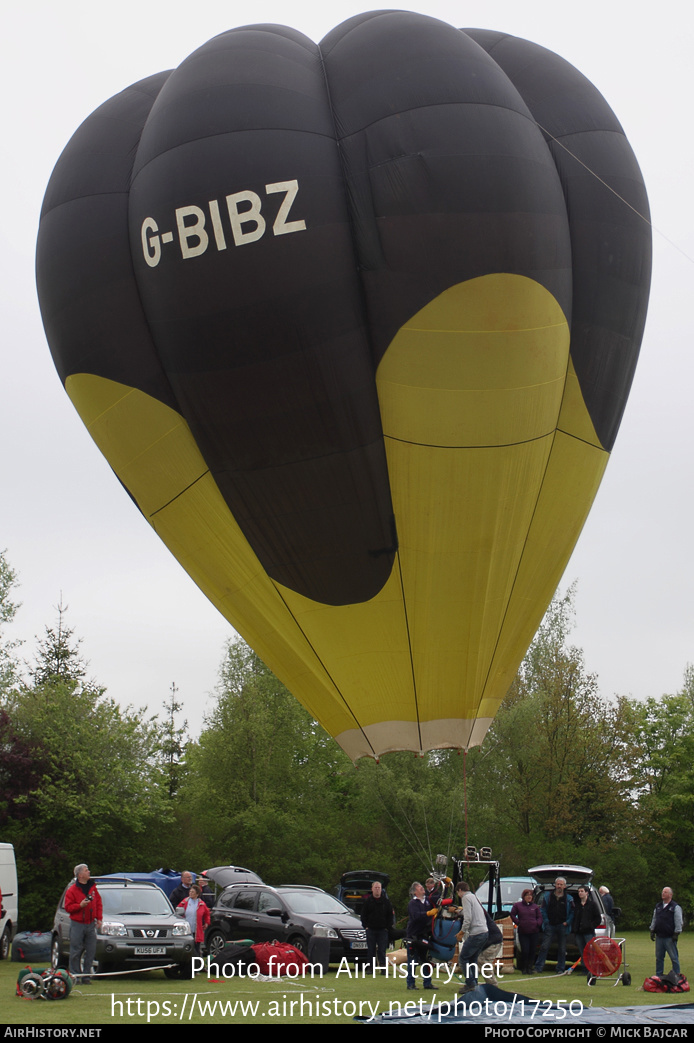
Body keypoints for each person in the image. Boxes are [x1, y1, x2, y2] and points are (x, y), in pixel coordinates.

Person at [64, 864, 103, 983]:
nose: (89, 872)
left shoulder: (93, 888)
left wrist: (99, 918)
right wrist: (80, 906)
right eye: (86, 871)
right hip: (77, 924)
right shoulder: (72, 890)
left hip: (90, 924)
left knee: (91, 950)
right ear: (80, 875)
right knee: (76, 950)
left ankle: (86, 976)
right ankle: (75, 976)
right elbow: (68, 907)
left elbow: (98, 903)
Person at [534, 877, 574, 974]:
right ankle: (538, 967)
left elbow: (573, 912)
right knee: (544, 947)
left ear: (564, 886)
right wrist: (546, 921)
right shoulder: (547, 896)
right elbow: (542, 910)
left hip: (562, 926)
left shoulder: (569, 899)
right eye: (558, 884)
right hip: (550, 925)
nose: (559, 886)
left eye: (561, 884)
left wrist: (567, 922)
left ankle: (560, 968)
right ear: (555, 885)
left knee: (562, 949)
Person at [457, 881, 489, 994]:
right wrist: (458, 911)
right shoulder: (473, 897)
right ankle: (474, 982)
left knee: (463, 958)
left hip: (476, 933)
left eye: (458, 893)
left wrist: (462, 932)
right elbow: (471, 912)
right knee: (472, 959)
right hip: (484, 932)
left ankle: (470, 984)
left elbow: (468, 918)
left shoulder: (465, 898)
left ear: (460, 890)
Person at [404, 882, 436, 990]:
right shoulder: (413, 903)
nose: (422, 888)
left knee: (426, 959)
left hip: (425, 934)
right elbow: (415, 916)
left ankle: (427, 983)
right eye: (419, 887)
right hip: (414, 935)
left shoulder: (428, 901)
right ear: (414, 892)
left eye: (422, 887)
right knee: (412, 960)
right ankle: (410, 983)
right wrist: (427, 914)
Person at [360, 881, 394, 973]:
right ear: (372, 889)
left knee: (382, 950)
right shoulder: (368, 901)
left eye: (379, 888)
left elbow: (390, 915)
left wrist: (388, 927)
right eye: (375, 888)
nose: (377, 889)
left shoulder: (386, 902)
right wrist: (365, 926)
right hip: (370, 929)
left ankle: (383, 968)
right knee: (371, 950)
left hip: (383, 930)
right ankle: (370, 968)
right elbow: (363, 915)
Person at [650, 887, 683, 978]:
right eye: (662, 892)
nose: (663, 894)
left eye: (665, 892)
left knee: (674, 957)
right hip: (659, 936)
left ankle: (677, 974)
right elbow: (655, 918)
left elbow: (678, 920)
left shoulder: (675, 907)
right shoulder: (658, 906)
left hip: (669, 937)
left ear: (670, 895)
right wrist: (652, 930)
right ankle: (659, 974)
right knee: (659, 958)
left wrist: (676, 933)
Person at [510, 888, 542, 973]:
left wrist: (537, 923)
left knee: (532, 950)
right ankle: (524, 967)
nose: (529, 897)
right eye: (527, 895)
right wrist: (518, 923)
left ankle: (530, 967)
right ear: (524, 896)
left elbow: (539, 917)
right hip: (523, 932)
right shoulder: (518, 905)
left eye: (530, 895)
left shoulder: (535, 907)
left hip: (534, 932)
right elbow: (512, 915)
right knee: (525, 950)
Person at [573, 886, 602, 974]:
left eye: (582, 891)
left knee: (591, 952)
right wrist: (575, 928)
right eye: (579, 891)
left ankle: (592, 969)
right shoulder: (577, 905)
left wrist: (591, 926)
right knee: (582, 952)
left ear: (586, 893)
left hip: (588, 933)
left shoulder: (592, 905)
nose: (580, 893)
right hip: (579, 932)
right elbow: (574, 918)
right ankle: (584, 970)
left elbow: (598, 918)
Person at [177, 883, 210, 955]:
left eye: (192, 892)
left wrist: (207, 923)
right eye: (190, 891)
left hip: (196, 929)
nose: (190, 893)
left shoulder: (201, 904)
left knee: (196, 947)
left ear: (197, 894)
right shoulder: (184, 902)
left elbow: (207, 914)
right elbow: (177, 911)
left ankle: (196, 962)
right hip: (186, 929)